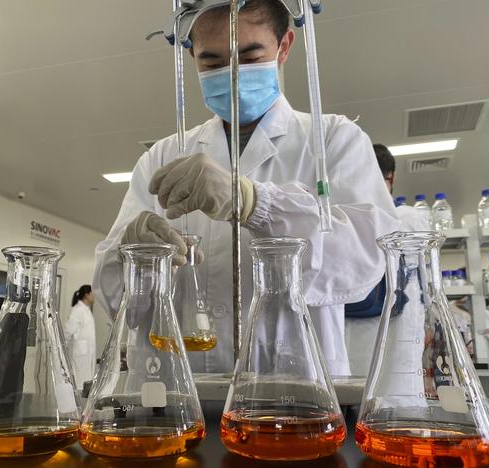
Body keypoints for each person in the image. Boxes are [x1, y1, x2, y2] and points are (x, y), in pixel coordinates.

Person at [93, 0, 398, 375]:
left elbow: (367, 260)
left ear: (284, 46)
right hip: (172, 390)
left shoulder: (334, 141)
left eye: (250, 57)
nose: (232, 74)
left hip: (291, 392)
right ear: (192, 58)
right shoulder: (162, 156)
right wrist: (133, 254)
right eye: (212, 62)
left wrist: (255, 203)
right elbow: (113, 298)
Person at [344, 143, 429, 375]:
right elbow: (425, 288)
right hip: (395, 336)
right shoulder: (411, 218)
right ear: (391, 176)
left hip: (344, 339)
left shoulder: (341, 219)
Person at [64, 285, 97, 389]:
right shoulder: (77, 310)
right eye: (93, 293)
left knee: (86, 382)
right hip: (80, 354)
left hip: (87, 354)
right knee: (79, 383)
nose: (94, 296)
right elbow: (67, 331)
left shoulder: (86, 310)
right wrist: (60, 351)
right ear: (87, 295)